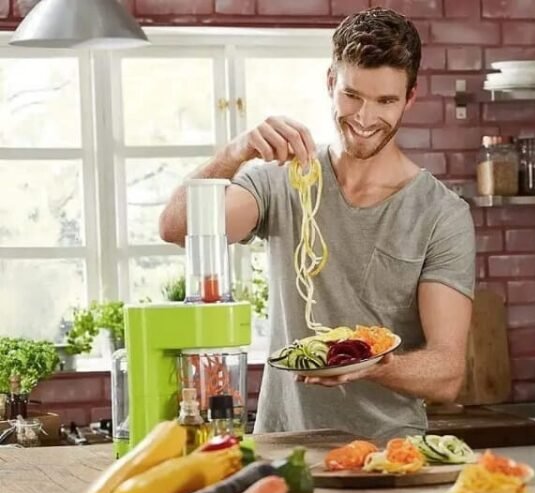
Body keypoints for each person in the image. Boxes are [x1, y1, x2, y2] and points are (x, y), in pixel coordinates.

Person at [159, 7, 475, 441]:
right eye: (353, 96)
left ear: (410, 98)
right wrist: (236, 152)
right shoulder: (282, 180)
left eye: (386, 101)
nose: (365, 118)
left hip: (389, 455)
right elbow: (177, 227)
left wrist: (366, 365)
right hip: (280, 445)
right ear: (331, 82)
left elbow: (447, 373)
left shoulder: (441, 214)